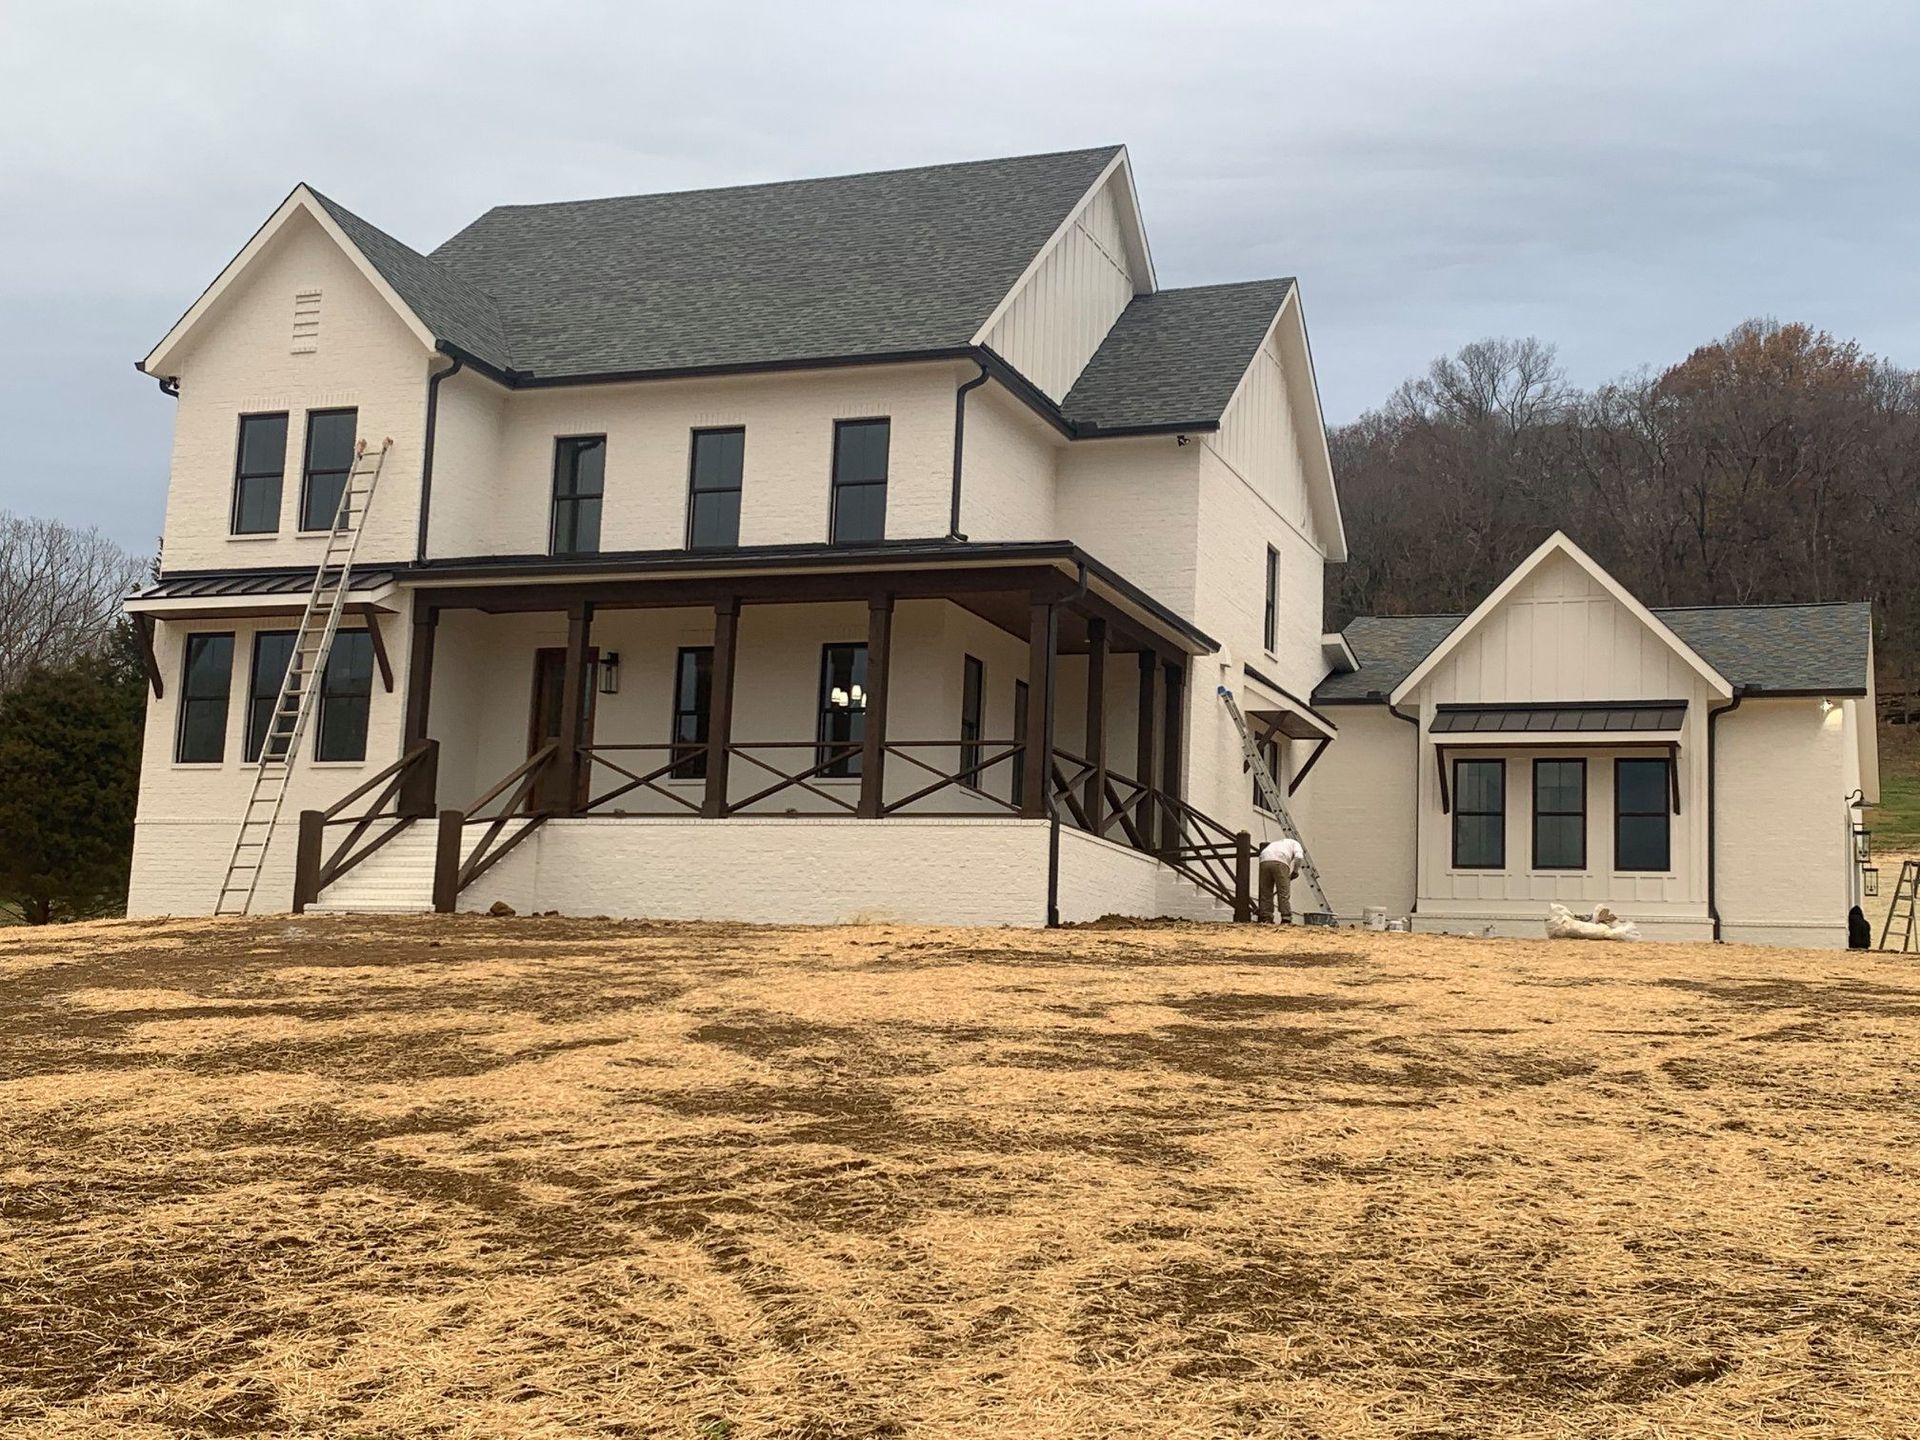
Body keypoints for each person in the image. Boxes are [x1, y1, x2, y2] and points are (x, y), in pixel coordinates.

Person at [1258, 836, 1305, 924]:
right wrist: (1295, 871)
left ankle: (1266, 918)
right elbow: (1299, 857)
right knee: (1283, 891)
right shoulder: (1296, 843)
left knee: (1266, 891)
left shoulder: (1277, 843)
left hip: (1264, 860)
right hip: (1280, 860)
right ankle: (1286, 918)